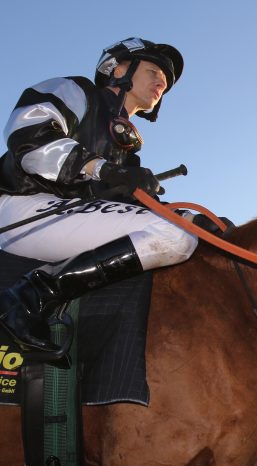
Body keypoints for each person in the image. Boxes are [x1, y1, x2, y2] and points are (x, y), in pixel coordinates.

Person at [0, 37, 223, 353]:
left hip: (63, 216)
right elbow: (29, 135)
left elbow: (131, 209)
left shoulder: (127, 151)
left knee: (185, 230)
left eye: (165, 80)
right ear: (117, 68)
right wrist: (102, 169)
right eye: (154, 71)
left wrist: (198, 220)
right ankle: (27, 298)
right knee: (175, 235)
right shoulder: (77, 90)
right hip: (20, 207)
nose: (162, 82)